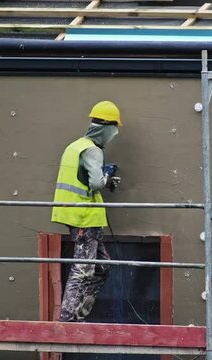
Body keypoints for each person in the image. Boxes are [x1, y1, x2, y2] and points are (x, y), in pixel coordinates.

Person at [51, 100, 122, 322]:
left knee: (101, 267)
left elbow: (80, 178)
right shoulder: (93, 151)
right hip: (84, 216)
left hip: (73, 212)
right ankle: (66, 319)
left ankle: (79, 313)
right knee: (83, 268)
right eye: (114, 129)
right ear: (107, 128)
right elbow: (95, 184)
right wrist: (107, 178)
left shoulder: (75, 146)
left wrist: (103, 179)